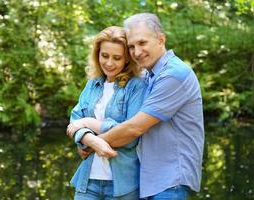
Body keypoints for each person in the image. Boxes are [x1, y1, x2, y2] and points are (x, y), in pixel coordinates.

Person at [71, 13, 205, 200]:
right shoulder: (149, 75)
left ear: (161, 39)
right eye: (132, 46)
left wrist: (90, 143)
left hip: (171, 181)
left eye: (142, 43)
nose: (136, 51)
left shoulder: (173, 74)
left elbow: (134, 128)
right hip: (150, 179)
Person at [66, 26, 146, 199]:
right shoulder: (93, 84)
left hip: (122, 185)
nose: (109, 63)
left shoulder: (137, 86)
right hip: (88, 180)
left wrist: (89, 124)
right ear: (97, 55)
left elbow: (130, 133)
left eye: (117, 58)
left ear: (127, 59)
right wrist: (89, 140)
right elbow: (74, 121)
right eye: (104, 56)